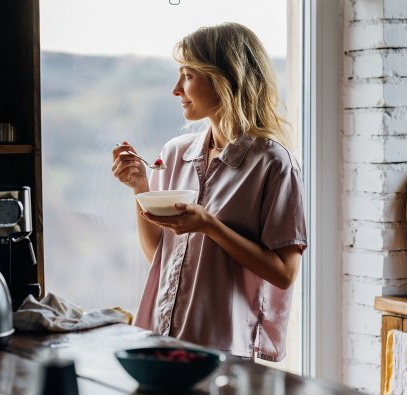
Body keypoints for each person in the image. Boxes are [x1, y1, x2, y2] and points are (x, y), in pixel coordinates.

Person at [111, 22, 307, 362]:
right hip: (162, 337)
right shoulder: (174, 153)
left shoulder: (273, 164)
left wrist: (210, 226)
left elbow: (284, 273)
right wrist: (140, 188)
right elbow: (159, 254)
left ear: (224, 79)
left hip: (223, 347)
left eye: (187, 75)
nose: (176, 89)